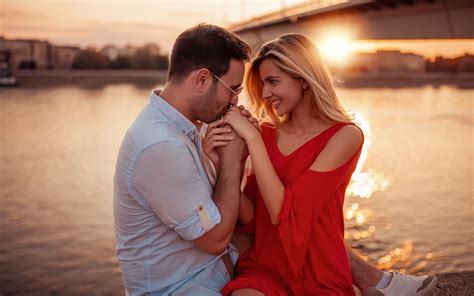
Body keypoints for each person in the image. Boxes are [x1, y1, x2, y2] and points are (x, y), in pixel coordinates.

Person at [203, 33, 438, 295]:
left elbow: (285, 214)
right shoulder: (267, 134)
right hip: (264, 267)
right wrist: (220, 165)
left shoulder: (345, 136)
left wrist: (251, 138)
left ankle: (376, 283)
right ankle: (378, 282)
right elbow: (252, 216)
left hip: (318, 272)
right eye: (262, 83)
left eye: (273, 82)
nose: (265, 93)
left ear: (302, 79)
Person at [113, 23, 254, 295]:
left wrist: (216, 162)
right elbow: (214, 240)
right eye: (233, 89)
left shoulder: (190, 127)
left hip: (215, 277)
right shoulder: (160, 144)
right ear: (202, 80)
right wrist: (232, 161)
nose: (236, 101)